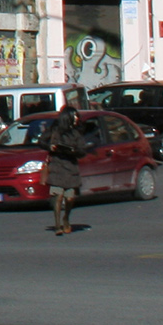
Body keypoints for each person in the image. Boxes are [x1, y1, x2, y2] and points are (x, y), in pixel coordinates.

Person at [45, 101, 90, 235]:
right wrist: (50, 147)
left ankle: (66, 218)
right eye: (74, 116)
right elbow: (42, 141)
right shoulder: (55, 130)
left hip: (70, 167)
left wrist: (73, 151)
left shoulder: (76, 133)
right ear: (67, 117)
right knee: (58, 196)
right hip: (57, 166)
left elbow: (82, 151)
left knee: (70, 198)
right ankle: (58, 225)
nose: (77, 119)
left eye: (77, 116)